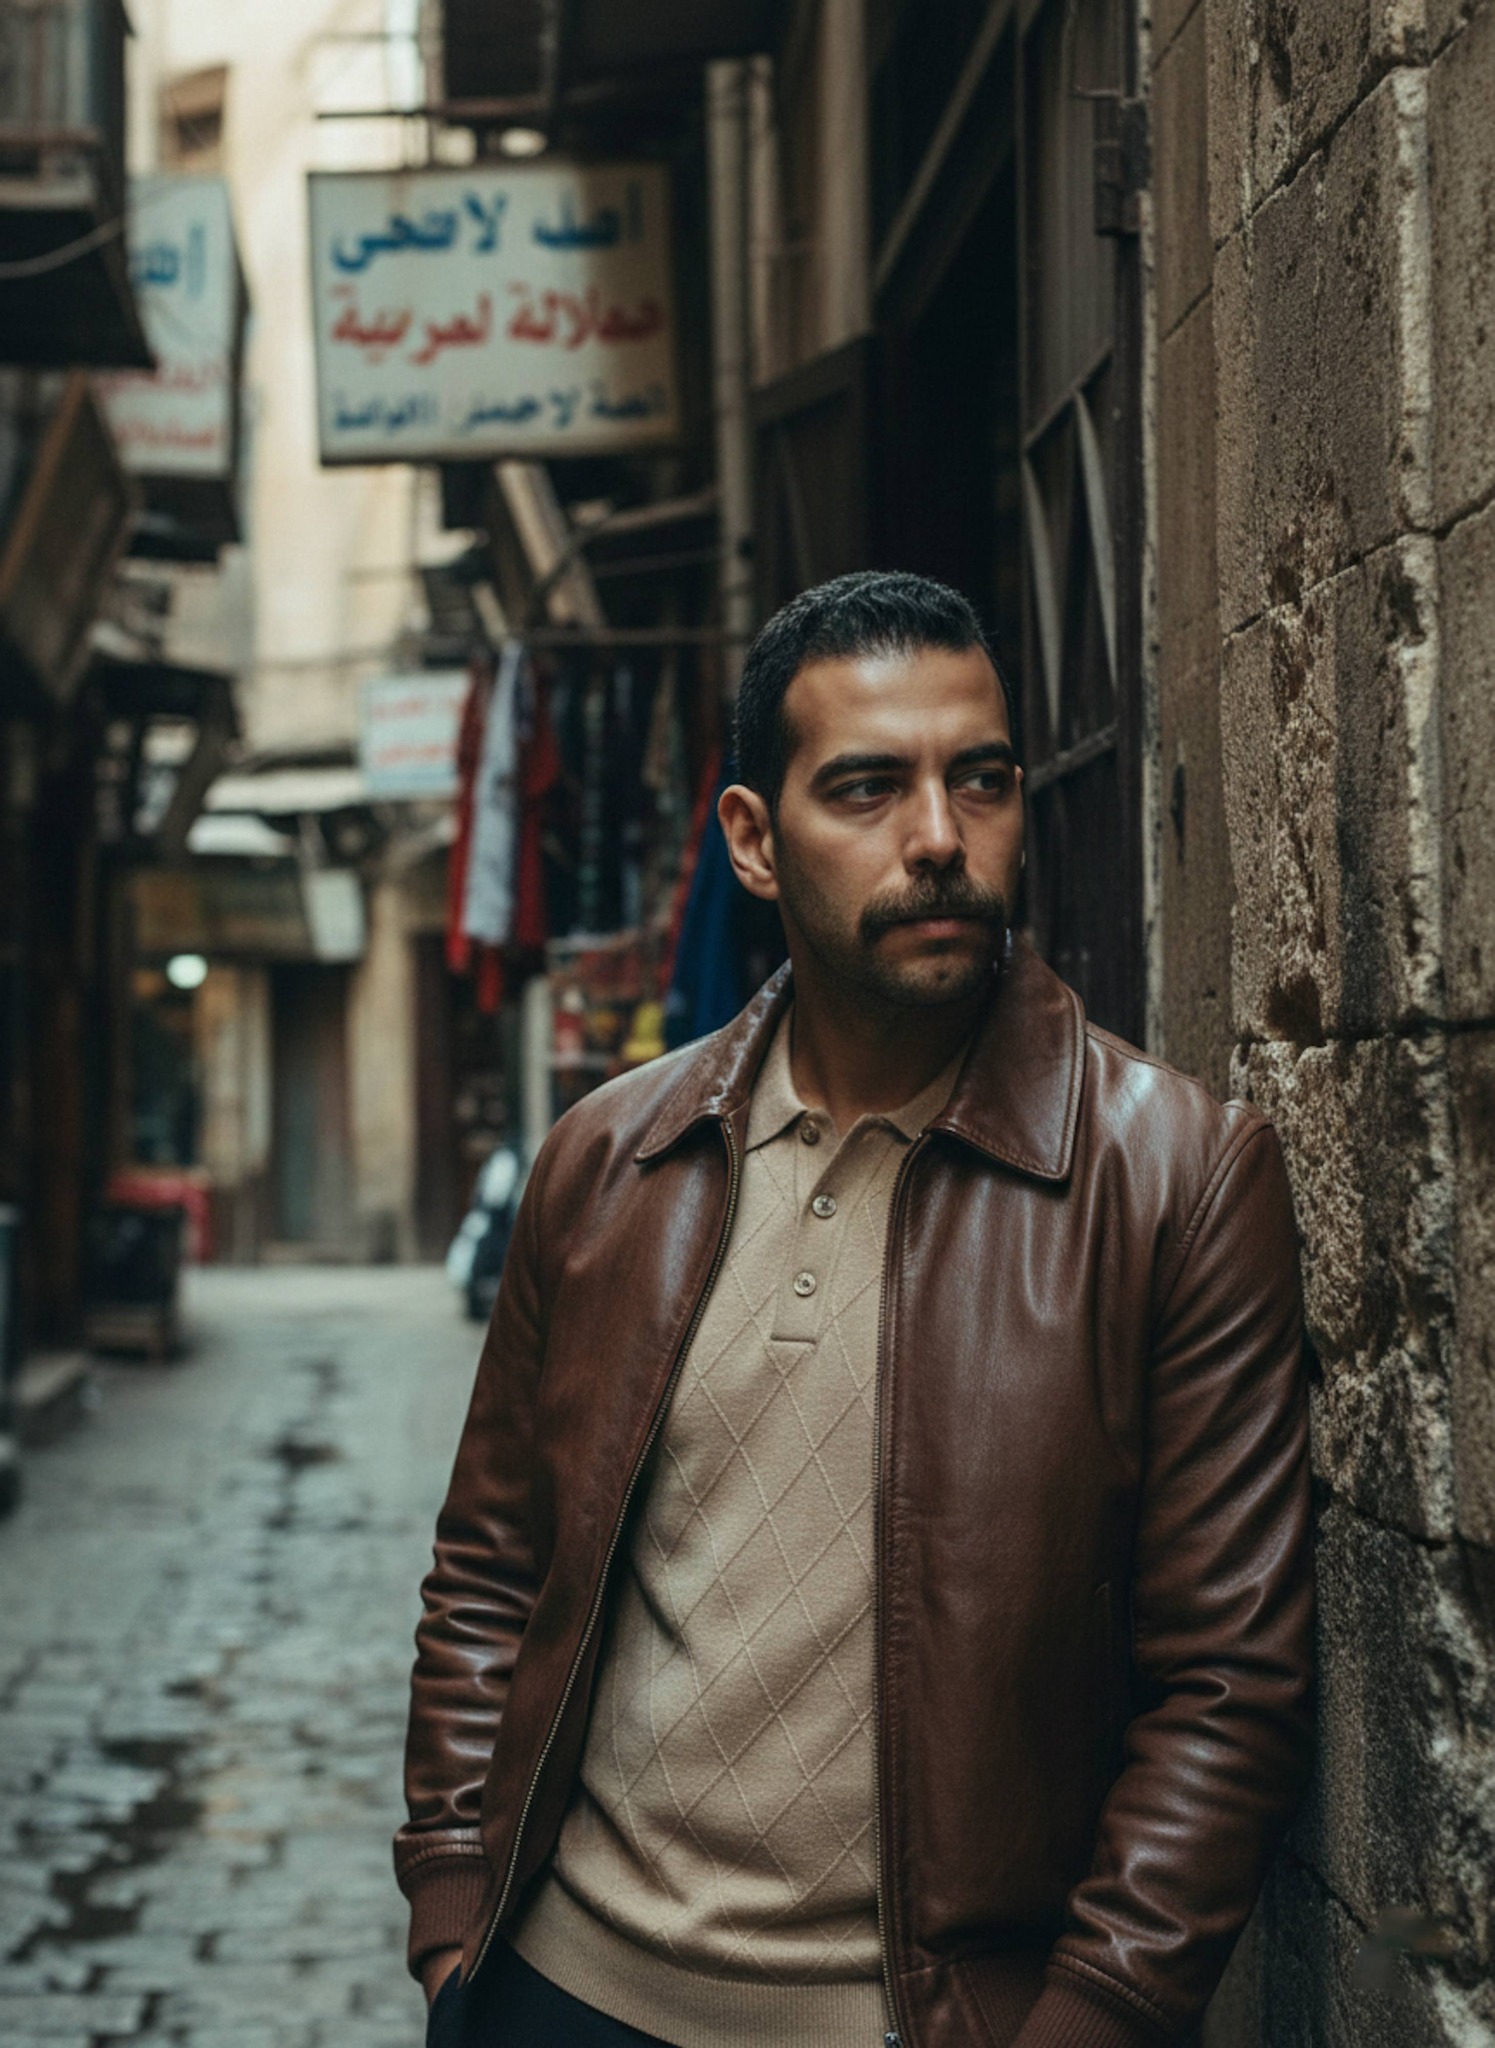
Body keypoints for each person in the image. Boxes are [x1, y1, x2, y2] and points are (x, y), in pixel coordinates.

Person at [399, 571, 1313, 2048]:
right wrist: (454, 1901)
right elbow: (494, 1568)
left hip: (921, 2022)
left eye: (983, 781)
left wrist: (1095, 2014)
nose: (940, 838)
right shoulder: (607, 1163)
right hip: (561, 1991)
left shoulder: (1176, 1177)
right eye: (869, 789)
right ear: (755, 842)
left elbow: (1230, 1679)